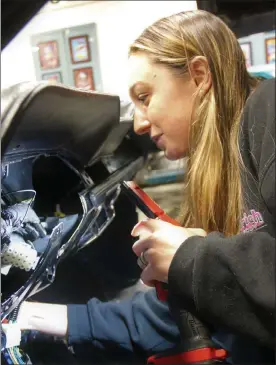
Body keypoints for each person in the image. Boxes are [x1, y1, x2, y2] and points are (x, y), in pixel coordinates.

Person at [17, 10, 275, 364]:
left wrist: (191, 257)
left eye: (145, 96)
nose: (137, 123)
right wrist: (28, 315)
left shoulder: (268, 111)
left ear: (199, 75)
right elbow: (185, 315)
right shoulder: (220, 175)